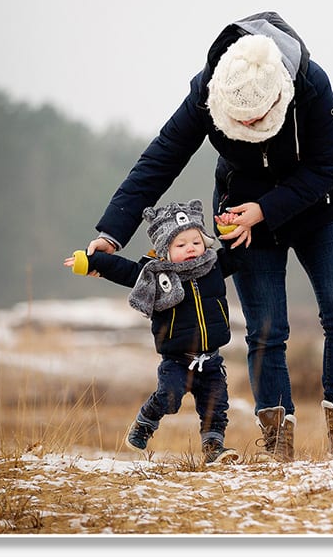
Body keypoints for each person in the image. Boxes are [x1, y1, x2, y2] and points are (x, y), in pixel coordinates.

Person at [84, 11, 333, 462]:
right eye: (243, 122)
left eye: (260, 119)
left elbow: (330, 164)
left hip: (324, 208)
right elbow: (162, 157)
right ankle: (278, 441)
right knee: (266, 328)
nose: (252, 130)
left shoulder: (311, 84)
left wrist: (267, 209)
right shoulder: (206, 90)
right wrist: (111, 233)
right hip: (241, 216)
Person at [64, 199, 240, 465]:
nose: (191, 248)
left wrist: (229, 230)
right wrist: (90, 261)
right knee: (169, 398)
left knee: (216, 407)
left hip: (211, 359)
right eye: (181, 245)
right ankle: (145, 422)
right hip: (177, 360)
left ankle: (214, 448)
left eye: (196, 242)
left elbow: (239, 254)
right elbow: (123, 270)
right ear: (164, 249)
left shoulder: (213, 265)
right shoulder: (154, 275)